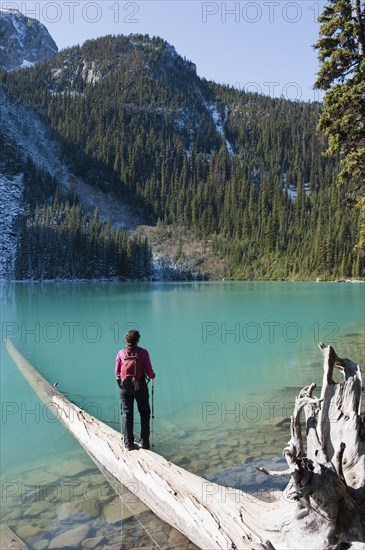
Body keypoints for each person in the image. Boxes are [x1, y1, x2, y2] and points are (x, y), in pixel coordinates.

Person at [115, 330, 155, 451]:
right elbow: (150, 373)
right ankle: (144, 442)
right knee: (144, 413)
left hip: (125, 387)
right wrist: (153, 375)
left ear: (126, 341)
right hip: (140, 386)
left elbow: (116, 372)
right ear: (138, 340)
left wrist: (122, 383)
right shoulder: (143, 353)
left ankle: (128, 443)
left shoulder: (121, 353)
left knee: (127, 413)